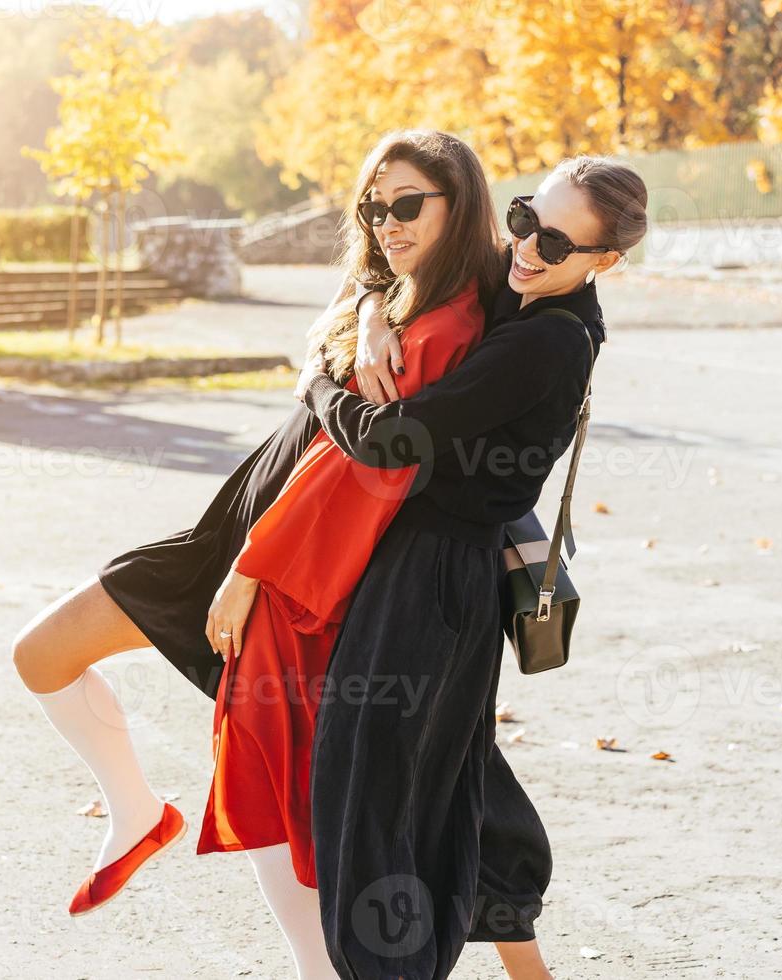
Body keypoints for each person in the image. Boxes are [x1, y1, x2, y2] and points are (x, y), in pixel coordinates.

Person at [294, 155, 650, 980]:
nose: (525, 246)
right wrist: (374, 311)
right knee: (441, 767)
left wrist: (316, 382)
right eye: (524, 218)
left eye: (555, 241)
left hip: (440, 579)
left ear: (605, 261)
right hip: (425, 567)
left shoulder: (551, 341)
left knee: (375, 784)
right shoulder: (522, 283)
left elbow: (392, 440)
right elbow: (391, 266)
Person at [192, 131, 500, 980]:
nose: (388, 222)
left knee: (285, 786)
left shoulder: (440, 329)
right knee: (300, 792)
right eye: (375, 206)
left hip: (311, 592)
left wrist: (250, 567)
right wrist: (370, 307)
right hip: (327, 586)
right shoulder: (416, 300)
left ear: (458, 204)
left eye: (408, 205)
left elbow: (359, 472)